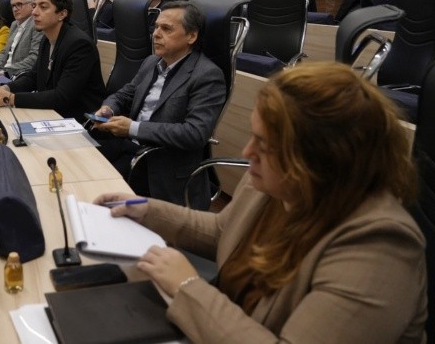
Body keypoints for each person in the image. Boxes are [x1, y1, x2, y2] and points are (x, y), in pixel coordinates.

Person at [95, 62, 427, 343]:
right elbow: (223, 231)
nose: (247, 152)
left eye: (265, 145)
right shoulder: (277, 183)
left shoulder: (379, 249)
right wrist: (147, 210)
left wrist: (187, 287)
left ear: (320, 160)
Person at [92, 1, 226, 209]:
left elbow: (194, 133)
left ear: (192, 36)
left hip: (163, 168)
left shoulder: (207, 75)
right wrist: (109, 108)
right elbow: (124, 94)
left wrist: (133, 128)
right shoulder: (151, 62)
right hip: (131, 151)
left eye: (166, 29)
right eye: (155, 27)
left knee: (99, 200)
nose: (155, 34)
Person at [0, 0, 106, 122]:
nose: (34, 12)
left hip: (81, 121)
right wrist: (6, 88)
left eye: (43, 7)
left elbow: (62, 97)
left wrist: (11, 98)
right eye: (34, 6)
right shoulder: (46, 39)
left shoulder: (79, 45)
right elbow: (34, 77)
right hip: (54, 114)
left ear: (62, 14)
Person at [0, 0, 43, 75]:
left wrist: (5, 71)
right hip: (2, 73)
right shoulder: (14, 24)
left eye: (19, 4)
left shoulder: (37, 25)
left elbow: (34, 58)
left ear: (32, 5)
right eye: (13, 6)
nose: (15, 9)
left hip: (19, 74)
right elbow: (4, 51)